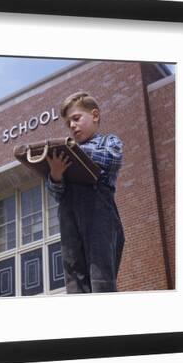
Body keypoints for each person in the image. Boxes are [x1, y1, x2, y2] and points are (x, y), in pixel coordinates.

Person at [46, 91, 125, 293]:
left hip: (99, 218)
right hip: (69, 220)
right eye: (68, 123)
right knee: (73, 275)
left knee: (101, 277)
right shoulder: (68, 152)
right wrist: (56, 174)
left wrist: (72, 151)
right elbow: (57, 193)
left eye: (76, 118)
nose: (72, 126)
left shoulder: (108, 142)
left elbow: (111, 159)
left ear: (95, 115)